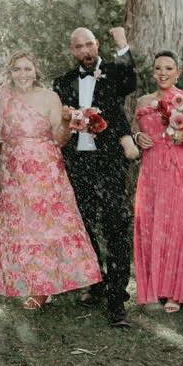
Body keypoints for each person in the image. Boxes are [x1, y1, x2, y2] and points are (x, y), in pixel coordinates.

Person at [0, 51, 102, 310]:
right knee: (21, 228)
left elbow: (60, 139)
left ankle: (43, 288)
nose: (22, 74)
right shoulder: (2, 96)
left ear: (36, 72)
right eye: (17, 69)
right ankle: (28, 281)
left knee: (44, 227)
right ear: (10, 72)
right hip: (12, 171)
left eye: (27, 69)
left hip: (44, 171)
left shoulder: (50, 97)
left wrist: (67, 122)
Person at [53, 27, 138, 327]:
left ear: (97, 45)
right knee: (83, 225)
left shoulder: (113, 72)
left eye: (89, 45)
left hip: (110, 162)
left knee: (116, 224)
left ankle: (117, 297)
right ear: (72, 50)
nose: (86, 51)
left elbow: (130, 81)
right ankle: (96, 281)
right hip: (77, 164)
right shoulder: (62, 82)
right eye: (79, 47)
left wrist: (122, 44)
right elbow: (58, 121)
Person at [132, 51, 183, 313]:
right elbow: (135, 131)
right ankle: (157, 286)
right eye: (158, 68)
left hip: (182, 166)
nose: (163, 73)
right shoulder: (143, 101)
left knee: (180, 224)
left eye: (169, 68)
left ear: (178, 72)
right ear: (153, 73)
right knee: (153, 223)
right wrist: (138, 138)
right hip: (152, 169)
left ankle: (177, 291)